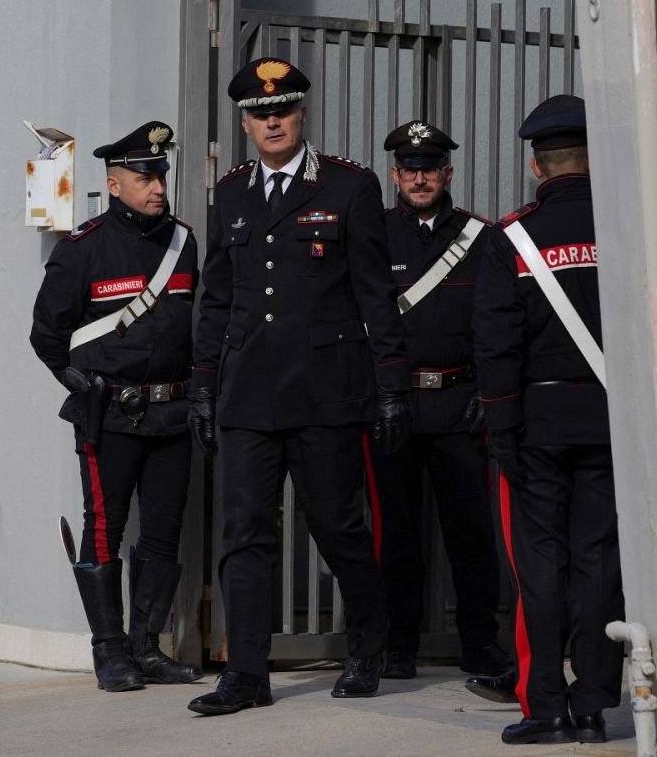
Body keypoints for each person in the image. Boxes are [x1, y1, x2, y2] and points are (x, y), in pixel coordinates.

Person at [187, 58, 413, 716]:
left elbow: (376, 294)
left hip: (325, 394)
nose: (272, 119)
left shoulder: (348, 187)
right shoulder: (230, 193)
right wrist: (203, 386)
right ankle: (247, 675)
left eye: (282, 108)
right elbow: (218, 299)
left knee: (338, 529)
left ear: (302, 113)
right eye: (260, 113)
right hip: (248, 396)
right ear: (246, 123)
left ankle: (369, 645)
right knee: (244, 535)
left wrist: (392, 385)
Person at [30, 120, 204, 693]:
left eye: (162, 175)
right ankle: (109, 652)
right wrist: (80, 384)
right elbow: (46, 335)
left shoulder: (183, 242)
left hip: (172, 414)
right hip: (112, 415)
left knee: (163, 530)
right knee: (103, 526)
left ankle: (146, 646)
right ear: (115, 182)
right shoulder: (82, 249)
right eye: (145, 176)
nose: (158, 186)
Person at [470, 95, 623, 745]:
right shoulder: (624, 228)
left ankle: (544, 707)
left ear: (537, 165)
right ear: (595, 157)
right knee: (598, 563)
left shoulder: (513, 238)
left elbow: (495, 343)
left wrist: (500, 429)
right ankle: (593, 706)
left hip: (534, 423)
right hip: (611, 419)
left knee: (539, 565)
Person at [373, 120, 514, 690]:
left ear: (448, 173)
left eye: (430, 167)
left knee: (472, 535)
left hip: (460, 404)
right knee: (396, 535)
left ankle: (480, 646)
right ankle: (396, 646)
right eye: (410, 168)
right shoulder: (374, 236)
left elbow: (500, 323)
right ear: (395, 175)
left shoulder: (483, 239)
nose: (420, 177)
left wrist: (487, 389)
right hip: (395, 407)